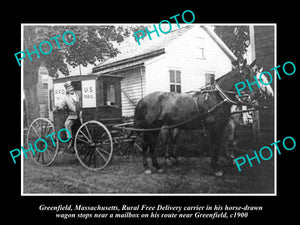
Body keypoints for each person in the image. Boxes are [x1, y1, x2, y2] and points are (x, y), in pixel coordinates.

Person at [58, 81, 82, 148]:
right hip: (73, 116)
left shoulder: (79, 94)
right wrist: (59, 107)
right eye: (68, 88)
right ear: (67, 90)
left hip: (81, 114)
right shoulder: (66, 98)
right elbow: (61, 105)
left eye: (71, 87)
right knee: (67, 124)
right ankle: (70, 138)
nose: (70, 89)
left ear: (73, 88)